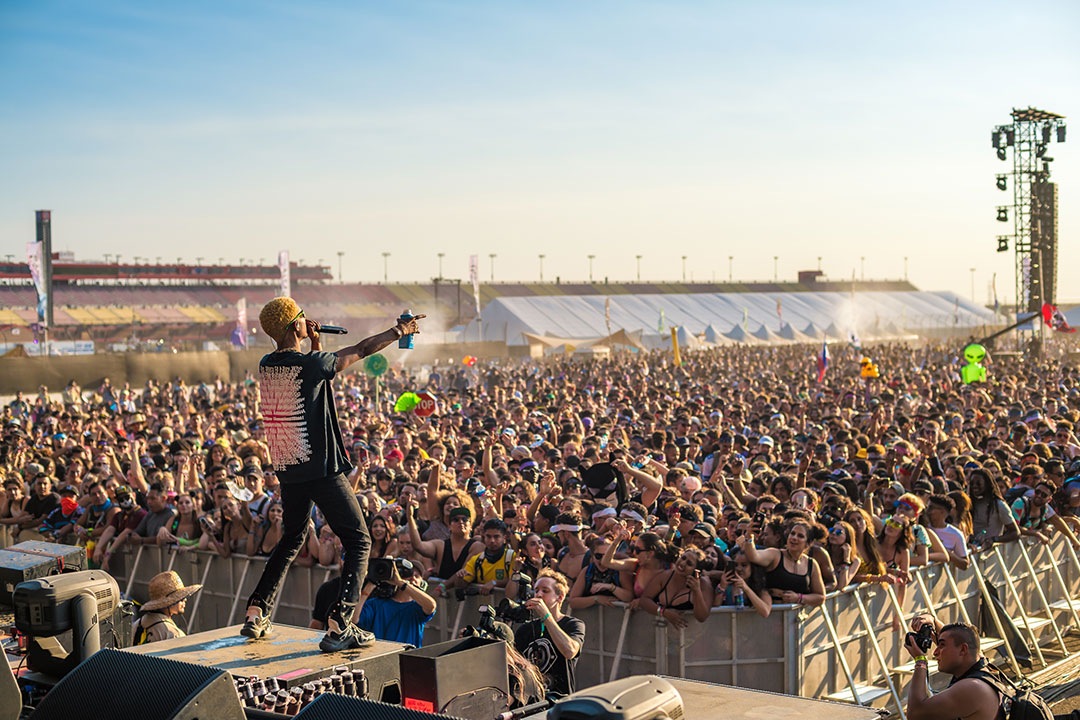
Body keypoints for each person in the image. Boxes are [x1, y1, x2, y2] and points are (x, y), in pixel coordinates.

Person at [242, 297, 425, 653]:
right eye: (302, 319)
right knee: (359, 540)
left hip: (289, 469)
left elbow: (312, 385)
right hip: (320, 468)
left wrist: (316, 345)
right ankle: (341, 623)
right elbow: (359, 349)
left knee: (292, 538)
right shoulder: (310, 364)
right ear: (296, 325)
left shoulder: (268, 364)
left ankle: (255, 612)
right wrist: (399, 330)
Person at [903, 615, 1004, 720]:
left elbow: (915, 714)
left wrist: (920, 661)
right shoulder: (983, 666)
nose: (935, 652)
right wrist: (933, 621)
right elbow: (958, 640)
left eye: (941, 645)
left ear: (963, 650)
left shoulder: (971, 688)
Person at [513, 568, 585, 698]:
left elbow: (570, 651)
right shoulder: (525, 628)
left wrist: (546, 616)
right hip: (530, 699)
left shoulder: (573, 624)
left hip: (559, 700)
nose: (539, 595)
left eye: (545, 591)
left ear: (560, 597)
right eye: (536, 591)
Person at [353, 559, 437, 647]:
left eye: (417, 576)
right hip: (380, 655)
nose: (413, 578)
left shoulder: (417, 607)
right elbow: (354, 619)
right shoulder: (376, 604)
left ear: (422, 583)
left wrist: (401, 582)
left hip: (407, 657)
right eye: (407, 574)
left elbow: (431, 606)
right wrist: (370, 585)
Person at [134, 571, 202, 644]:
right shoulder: (174, 635)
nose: (185, 600)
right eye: (181, 598)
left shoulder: (137, 624)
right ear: (170, 603)